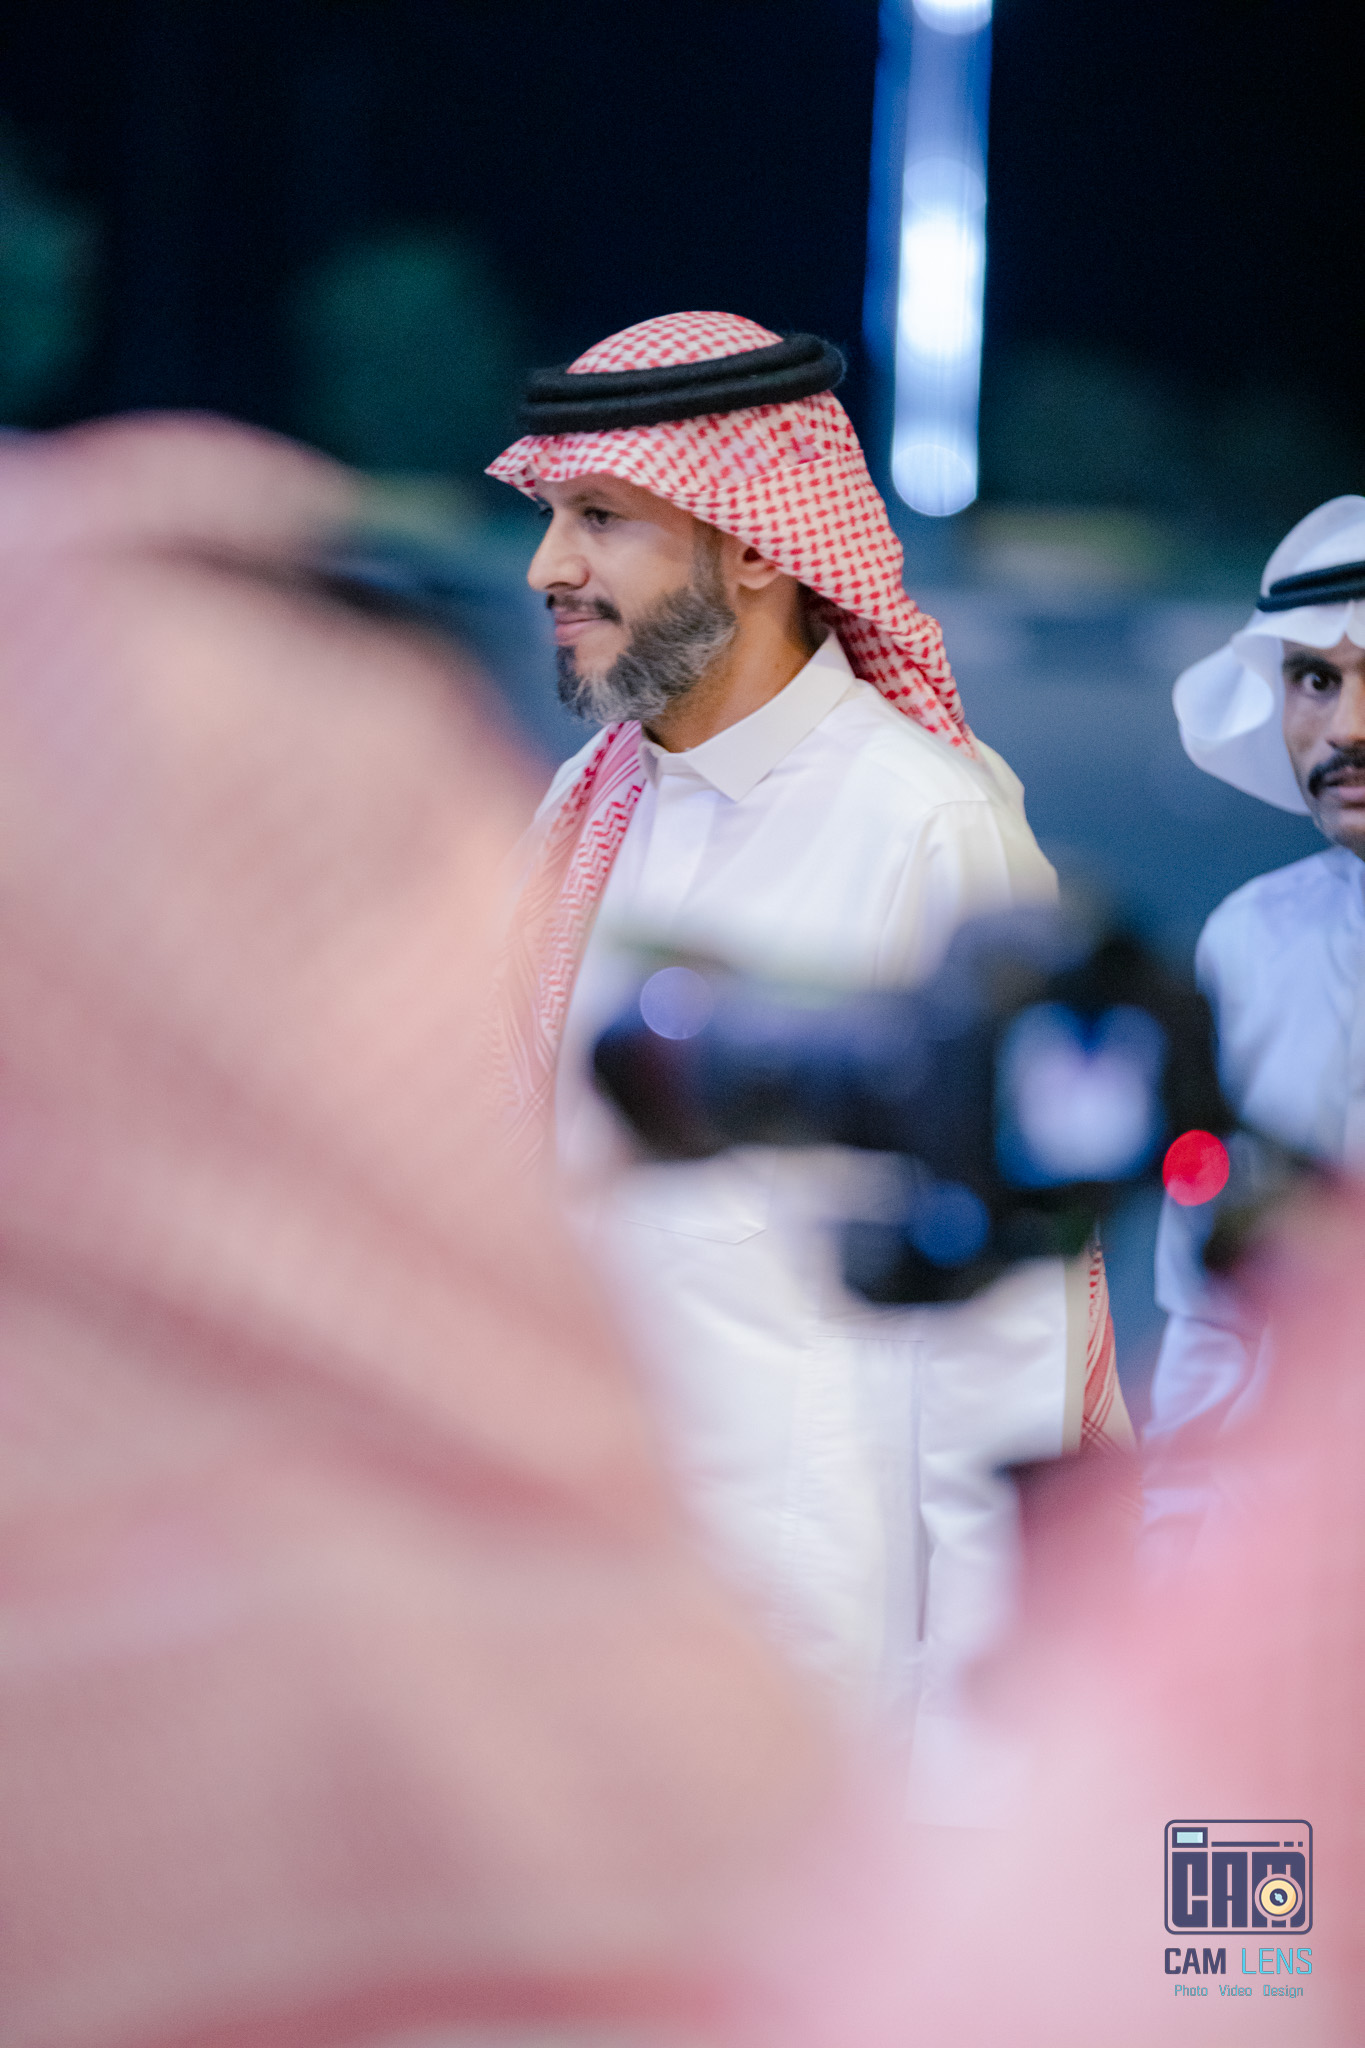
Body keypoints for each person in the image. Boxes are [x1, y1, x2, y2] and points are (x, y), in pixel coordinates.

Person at [487, 311, 1131, 1788]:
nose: (546, 568)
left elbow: (1004, 1335)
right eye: (549, 515)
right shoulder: (588, 812)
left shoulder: (926, 825)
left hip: (814, 1675)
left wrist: (974, 1777)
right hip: (575, 1649)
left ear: (754, 544)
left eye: (600, 518)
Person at [1147, 494, 1365, 1549]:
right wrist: (1168, 1544)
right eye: (1315, 680)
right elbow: (1208, 1307)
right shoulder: (1249, 941)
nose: (1347, 728)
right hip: (1272, 1563)